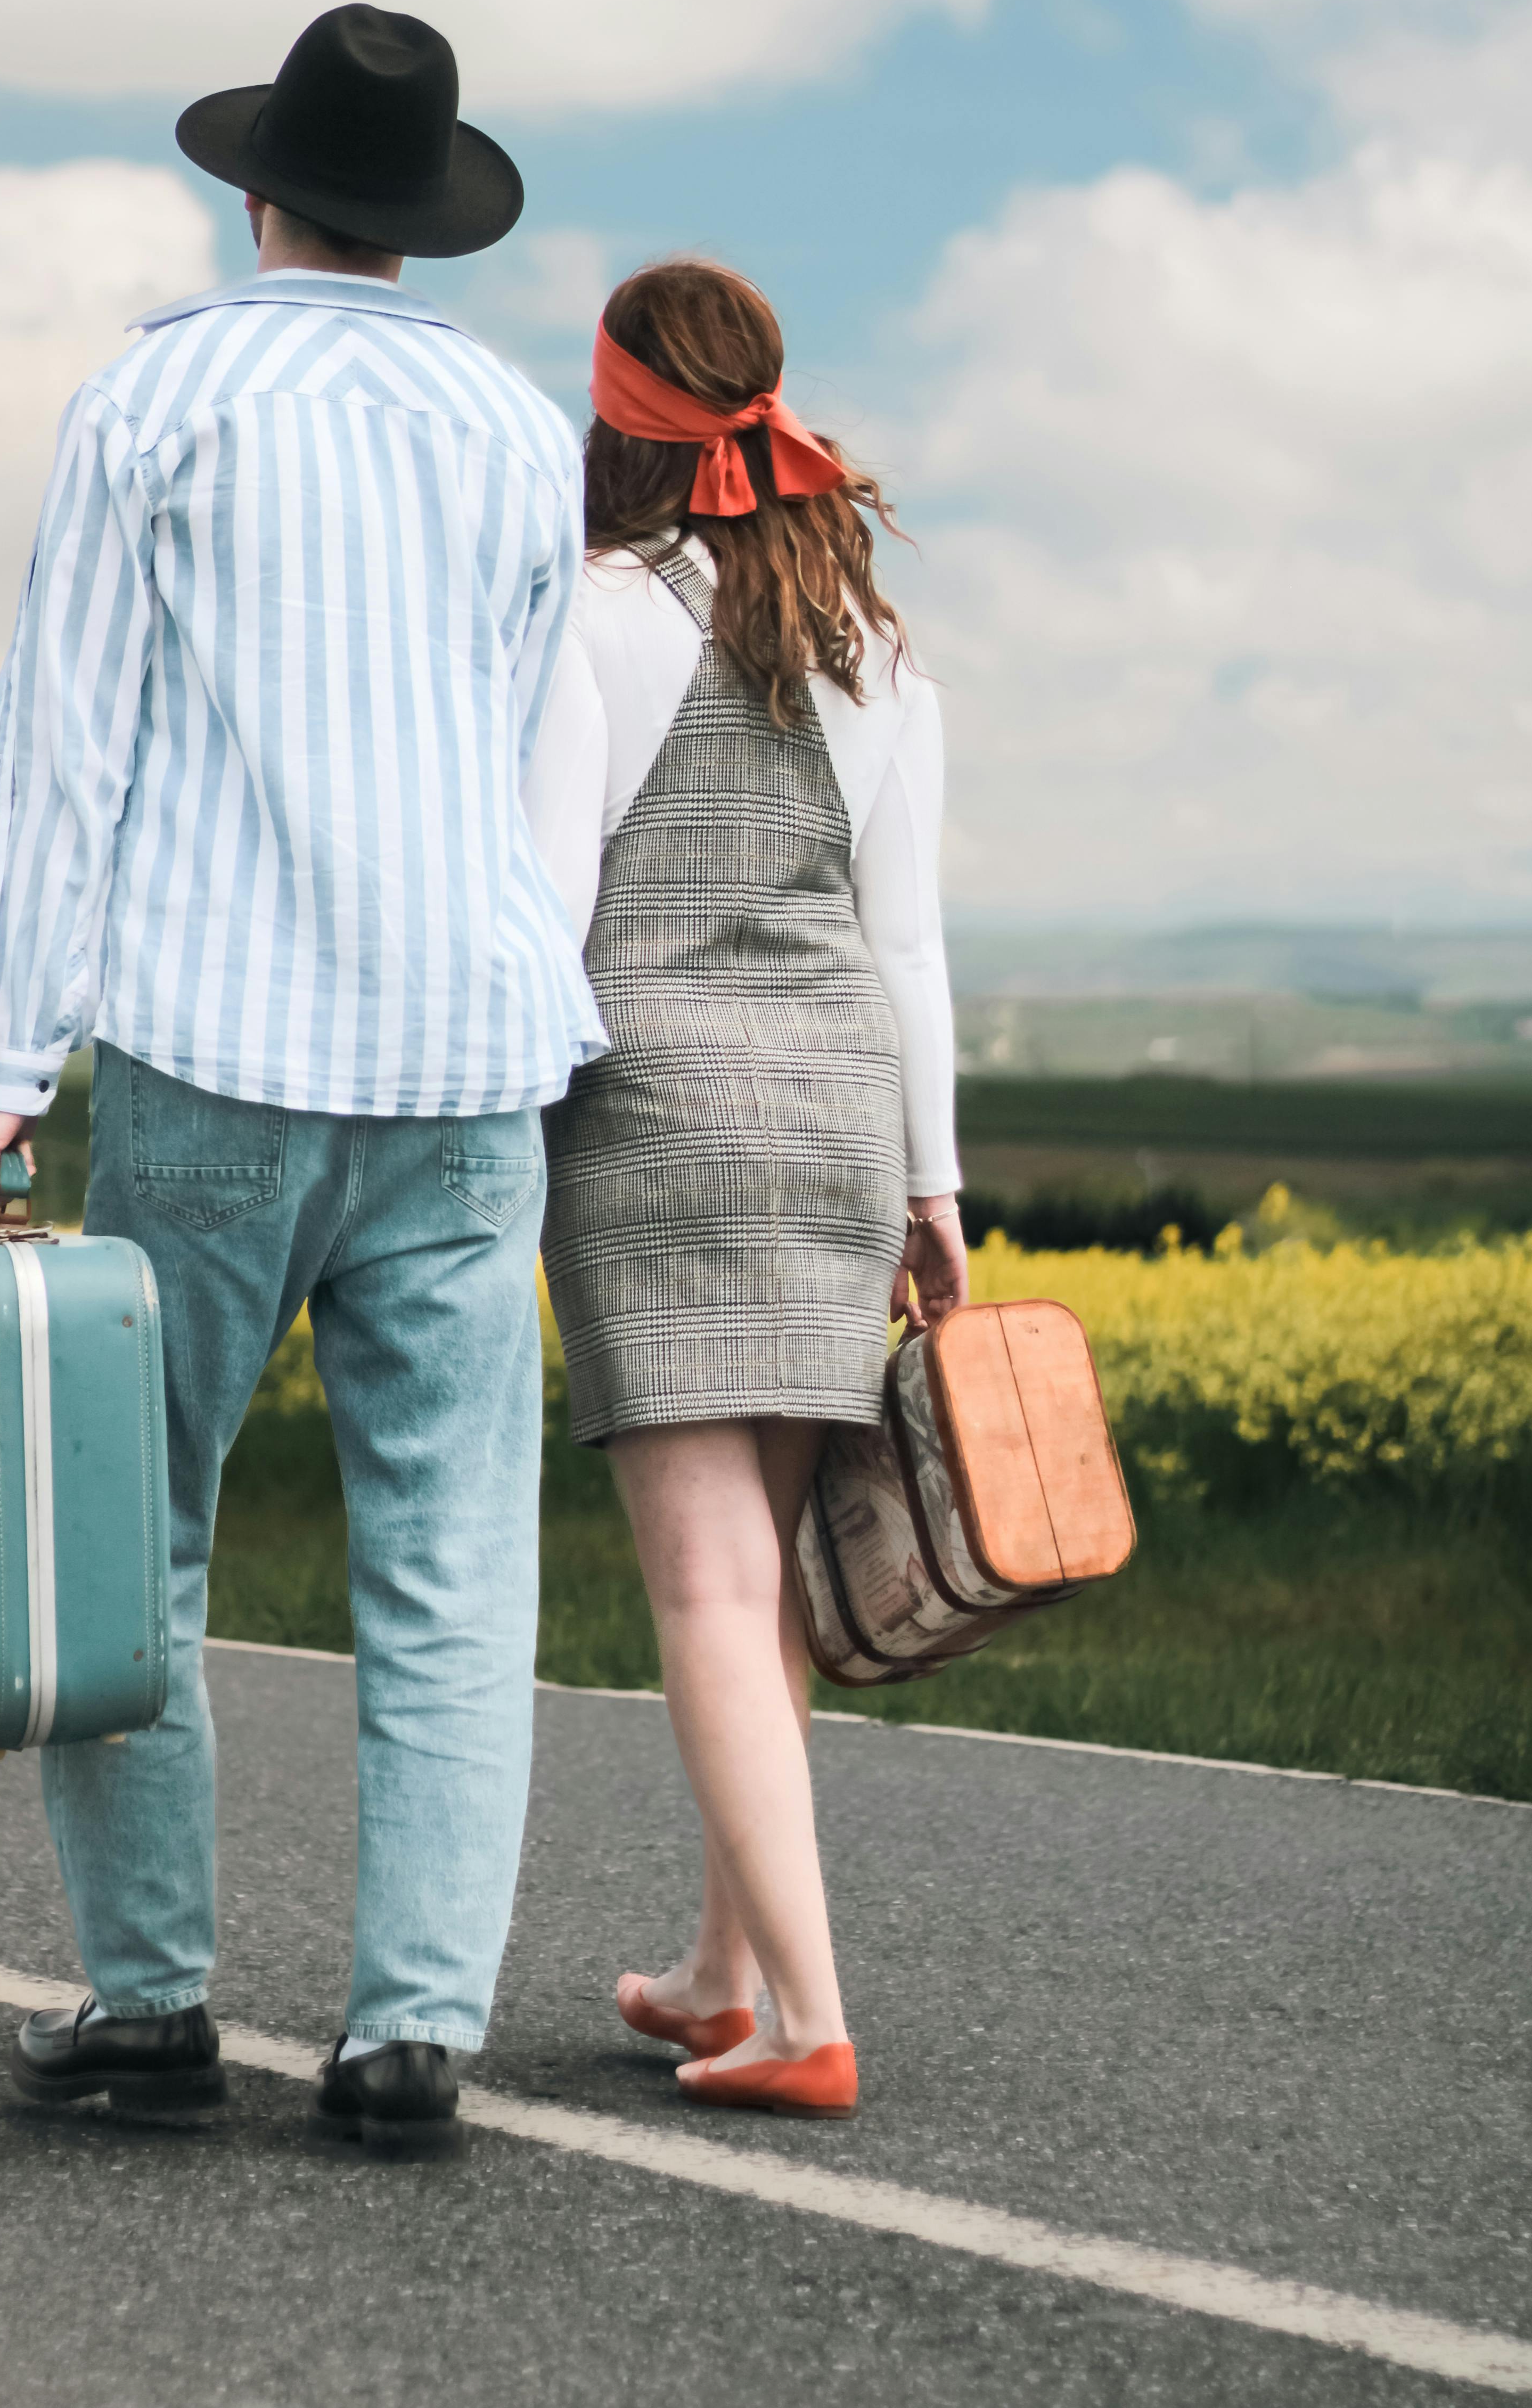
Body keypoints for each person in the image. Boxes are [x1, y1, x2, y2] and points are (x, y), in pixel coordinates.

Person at [0, 4, 605, 2156]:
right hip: (472, 1062)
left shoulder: (163, 394)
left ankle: (152, 2000)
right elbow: (513, 746)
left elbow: (70, 745)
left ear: (261, 189)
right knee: (451, 1552)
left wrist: (7, 1057)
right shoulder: (516, 429)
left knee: (139, 1539)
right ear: (422, 217)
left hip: (224, 1051)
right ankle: (414, 2032)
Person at [526, 255, 968, 2120]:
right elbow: (910, 946)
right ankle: (719, 1969)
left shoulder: (596, 619)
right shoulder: (871, 645)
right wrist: (931, 1182)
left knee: (705, 1588)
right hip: (836, 1119)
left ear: (618, 422)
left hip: (661, 1125)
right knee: (766, 1593)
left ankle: (804, 2011)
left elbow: (546, 918)